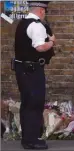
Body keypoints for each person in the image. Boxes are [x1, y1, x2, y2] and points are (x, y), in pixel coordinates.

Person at [13, 1, 55, 149]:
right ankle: (31, 141)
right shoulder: (36, 25)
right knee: (34, 103)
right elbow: (40, 47)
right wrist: (51, 42)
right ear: (42, 11)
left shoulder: (23, 23)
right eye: (45, 11)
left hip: (23, 69)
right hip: (31, 71)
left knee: (27, 103)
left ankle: (28, 138)